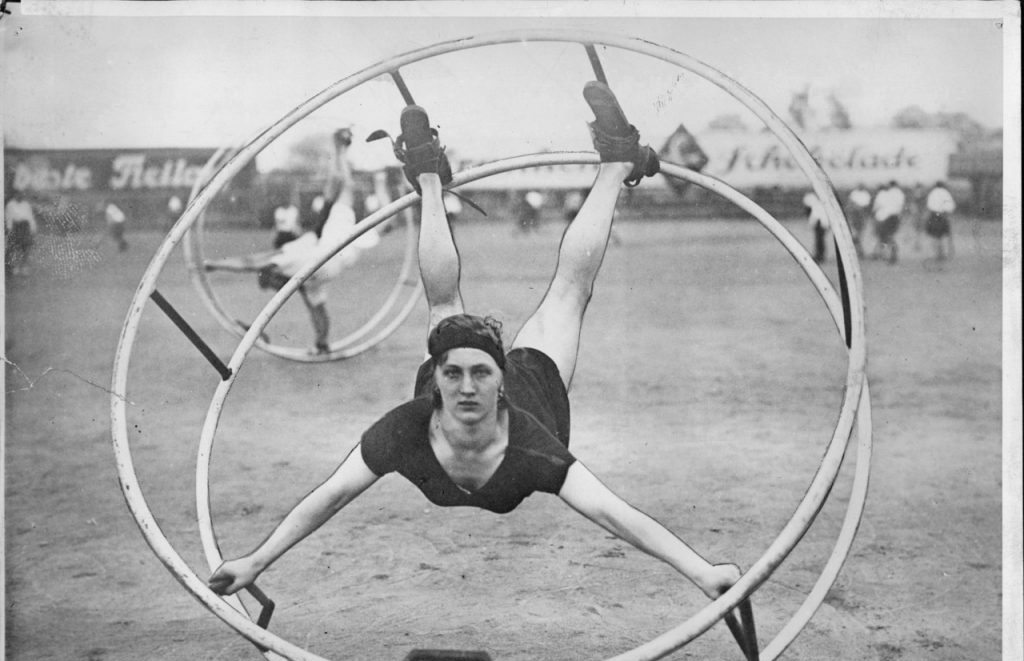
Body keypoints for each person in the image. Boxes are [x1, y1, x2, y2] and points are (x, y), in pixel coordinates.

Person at [208, 83, 742, 611]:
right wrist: (256, 562)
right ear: (437, 378)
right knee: (444, 305)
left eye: (481, 374)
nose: (466, 388)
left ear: (500, 379)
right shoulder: (405, 427)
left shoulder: (532, 445)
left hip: (536, 393)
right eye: (453, 374)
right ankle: (428, 175)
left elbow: (611, 512)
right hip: (458, 391)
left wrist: (703, 572)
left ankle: (613, 163)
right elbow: (332, 495)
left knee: (568, 293)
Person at [204, 129, 390, 354]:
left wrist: (213, 264)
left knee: (311, 299)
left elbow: (251, 262)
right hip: (331, 255)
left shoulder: (296, 256)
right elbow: (252, 263)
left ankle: (321, 344)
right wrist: (213, 264)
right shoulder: (301, 252)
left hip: (328, 257)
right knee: (349, 195)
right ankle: (320, 344)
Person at [4, 190, 38, 277]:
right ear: (15, 194)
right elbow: (8, 218)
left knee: (26, 247)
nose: (20, 195)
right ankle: (15, 267)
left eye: (21, 194)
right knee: (15, 248)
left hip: (25, 227)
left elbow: (30, 217)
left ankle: (23, 266)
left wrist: (33, 228)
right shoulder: (10, 205)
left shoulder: (26, 204)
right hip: (16, 227)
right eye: (18, 194)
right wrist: (9, 229)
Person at [871, 180, 905, 264]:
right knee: (889, 236)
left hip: (885, 218)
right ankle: (888, 254)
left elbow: (877, 206)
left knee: (885, 236)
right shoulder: (900, 193)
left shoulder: (885, 194)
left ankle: (890, 253)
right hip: (895, 217)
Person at [923, 180, 956, 261]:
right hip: (943, 215)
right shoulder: (946, 193)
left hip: (934, 215)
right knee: (943, 235)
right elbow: (951, 206)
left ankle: (937, 253)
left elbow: (929, 205)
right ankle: (943, 253)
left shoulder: (932, 193)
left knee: (935, 235)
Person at [802, 191, 830, 264]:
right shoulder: (820, 204)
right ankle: (820, 255)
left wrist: (810, 224)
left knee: (819, 241)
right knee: (820, 240)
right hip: (822, 224)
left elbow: (814, 216)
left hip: (820, 224)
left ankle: (820, 256)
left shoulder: (817, 205)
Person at [846, 183, 872, 257]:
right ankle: (859, 251)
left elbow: (866, 205)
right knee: (855, 233)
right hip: (854, 215)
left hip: (861, 215)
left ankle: (859, 251)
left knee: (859, 234)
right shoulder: (854, 193)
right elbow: (850, 203)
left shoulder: (866, 194)